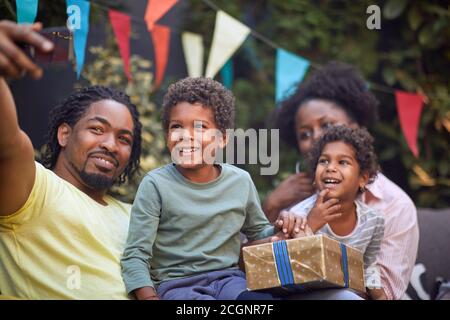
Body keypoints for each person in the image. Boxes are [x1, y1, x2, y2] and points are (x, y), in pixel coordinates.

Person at [0, 20, 142, 299]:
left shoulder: (136, 215)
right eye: (97, 129)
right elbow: (7, 142)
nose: (111, 145)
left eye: (124, 139)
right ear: (65, 134)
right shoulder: (34, 187)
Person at [266, 62, 419, 299]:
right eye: (305, 134)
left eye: (327, 125)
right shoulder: (294, 203)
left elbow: (385, 293)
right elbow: (262, 269)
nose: (317, 137)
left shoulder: (394, 206)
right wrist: (272, 206)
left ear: (358, 128)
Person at [120, 77, 281, 300]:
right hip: (176, 286)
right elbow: (135, 255)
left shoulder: (240, 182)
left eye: (200, 127)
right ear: (167, 136)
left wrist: (280, 230)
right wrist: (148, 297)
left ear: (223, 139)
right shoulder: (156, 185)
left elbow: (258, 233)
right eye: (176, 126)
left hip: (229, 280)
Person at [286, 125, 386, 299]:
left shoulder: (374, 221)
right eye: (323, 161)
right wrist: (310, 225)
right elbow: (292, 266)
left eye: (343, 162)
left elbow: (368, 265)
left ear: (362, 178)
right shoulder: (299, 214)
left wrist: (377, 293)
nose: (330, 167)